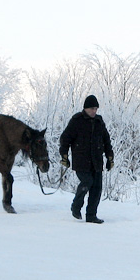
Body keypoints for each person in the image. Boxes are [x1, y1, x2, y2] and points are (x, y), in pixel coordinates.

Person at [59, 95, 114, 224]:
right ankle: (76, 206)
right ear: (85, 108)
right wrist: (64, 155)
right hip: (81, 161)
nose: (94, 111)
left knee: (97, 188)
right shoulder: (76, 121)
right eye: (91, 109)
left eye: (95, 109)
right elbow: (65, 138)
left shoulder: (99, 122)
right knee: (87, 182)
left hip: (97, 161)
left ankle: (91, 215)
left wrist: (109, 157)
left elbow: (106, 141)